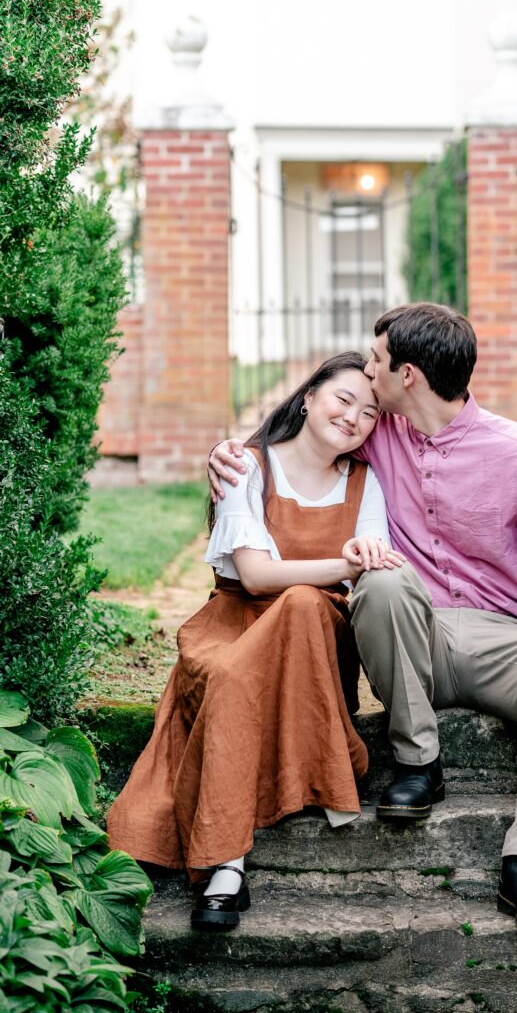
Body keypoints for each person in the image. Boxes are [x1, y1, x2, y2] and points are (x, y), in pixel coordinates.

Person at [209, 303, 517, 933]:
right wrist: (229, 452)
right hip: (408, 631)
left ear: (408, 377)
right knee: (383, 577)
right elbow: (306, 433)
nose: (366, 375)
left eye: (375, 362)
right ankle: (419, 763)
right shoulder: (376, 429)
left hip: (501, 639)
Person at [107, 352, 405, 930]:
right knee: (234, 670)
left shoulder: (366, 485)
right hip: (235, 622)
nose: (354, 418)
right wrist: (342, 564)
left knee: (297, 605)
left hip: (314, 640)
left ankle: (226, 861)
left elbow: (366, 564)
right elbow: (255, 575)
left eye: (369, 414)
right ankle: (227, 863)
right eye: (343, 400)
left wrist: (344, 570)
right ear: (308, 397)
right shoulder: (247, 466)